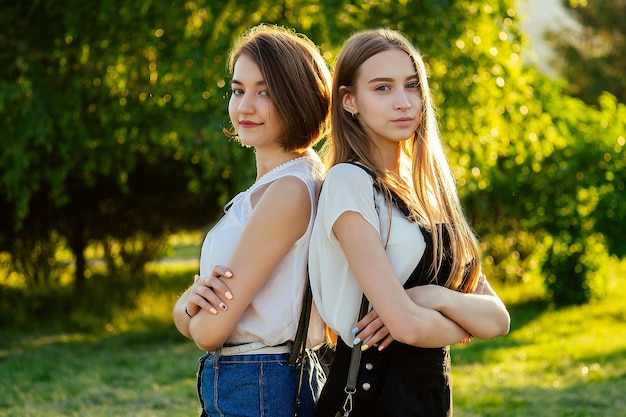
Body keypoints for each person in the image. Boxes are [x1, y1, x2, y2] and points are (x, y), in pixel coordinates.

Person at [308, 29, 511, 416]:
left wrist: (436, 298)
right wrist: (464, 322)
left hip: (429, 398)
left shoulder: (427, 190)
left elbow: (498, 319)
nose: (404, 102)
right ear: (350, 101)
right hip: (372, 396)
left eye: (412, 85)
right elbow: (409, 329)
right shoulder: (349, 182)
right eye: (382, 88)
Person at [172, 24, 331, 417]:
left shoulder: (289, 191)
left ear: (299, 97)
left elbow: (209, 332)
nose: (244, 106)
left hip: (259, 385)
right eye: (239, 89)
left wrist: (185, 310)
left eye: (265, 92)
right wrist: (191, 307)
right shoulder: (279, 183)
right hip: (253, 384)